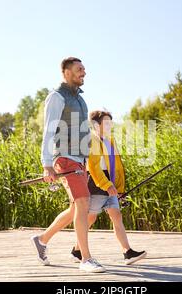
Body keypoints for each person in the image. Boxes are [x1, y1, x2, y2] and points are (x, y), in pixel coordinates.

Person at [30, 57, 106, 273]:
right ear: (66, 72)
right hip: (64, 157)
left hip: (79, 159)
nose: (84, 72)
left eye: (84, 69)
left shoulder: (81, 101)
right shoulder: (56, 97)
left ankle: (41, 240)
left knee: (76, 206)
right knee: (83, 203)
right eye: (79, 69)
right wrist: (47, 164)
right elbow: (48, 131)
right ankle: (86, 259)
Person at [70, 110, 147, 265]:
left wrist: (119, 187)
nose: (109, 125)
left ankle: (128, 252)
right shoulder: (91, 139)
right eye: (106, 122)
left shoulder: (110, 141)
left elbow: (117, 166)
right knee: (90, 218)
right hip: (96, 183)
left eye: (110, 122)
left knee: (116, 215)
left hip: (109, 182)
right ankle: (77, 250)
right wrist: (106, 184)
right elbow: (94, 167)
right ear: (95, 125)